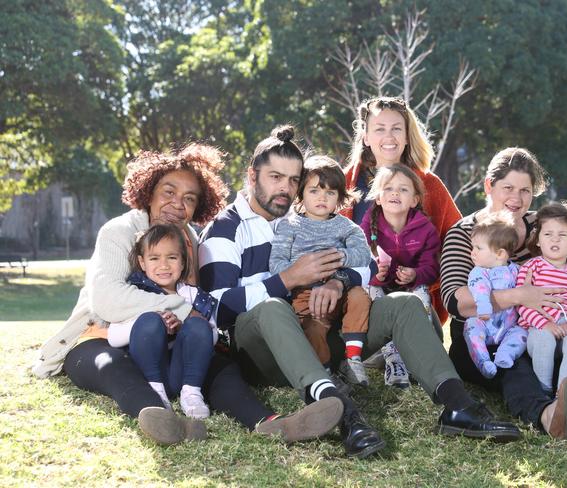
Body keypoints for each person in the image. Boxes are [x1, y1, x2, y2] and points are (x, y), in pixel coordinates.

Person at [200, 125, 523, 459]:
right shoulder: (227, 227)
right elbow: (216, 308)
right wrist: (288, 279)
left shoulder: (307, 219)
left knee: (404, 303)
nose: (285, 188)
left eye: (293, 180)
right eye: (275, 177)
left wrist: (337, 280)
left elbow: (368, 266)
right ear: (252, 176)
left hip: (323, 333)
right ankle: (344, 415)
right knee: (272, 306)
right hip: (262, 351)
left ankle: (457, 406)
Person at [32, 143, 344, 446]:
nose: (177, 204)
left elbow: (201, 305)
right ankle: (159, 418)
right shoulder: (119, 231)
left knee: (220, 368)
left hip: (167, 345)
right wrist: (181, 308)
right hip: (100, 339)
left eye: (189, 198)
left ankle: (269, 423)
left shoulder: (191, 240)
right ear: (148, 193)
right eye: (169, 192)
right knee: (112, 366)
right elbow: (108, 299)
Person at [440, 147, 567, 440]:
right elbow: (455, 302)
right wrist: (521, 296)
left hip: (533, 329)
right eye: (508, 188)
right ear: (489, 186)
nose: (517, 198)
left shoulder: (542, 226)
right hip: (482, 338)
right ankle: (548, 416)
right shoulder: (465, 234)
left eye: (525, 190)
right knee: (516, 366)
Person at [342, 96, 461, 325]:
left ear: (407, 136)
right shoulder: (345, 184)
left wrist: (423, 275)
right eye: (379, 129)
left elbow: (457, 243)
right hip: (358, 302)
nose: (389, 136)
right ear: (366, 137)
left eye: (397, 129)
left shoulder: (430, 185)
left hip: (416, 302)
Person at [269, 155, 373, 386]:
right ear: (301, 194)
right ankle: (325, 373)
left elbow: (364, 254)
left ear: (340, 197)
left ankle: (353, 358)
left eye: (330, 193)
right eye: (314, 191)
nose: (322, 198)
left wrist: (340, 258)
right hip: (306, 294)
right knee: (311, 328)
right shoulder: (289, 226)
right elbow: (276, 264)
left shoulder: (346, 226)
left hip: (341, 291)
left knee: (360, 297)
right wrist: (302, 271)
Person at [107, 224, 218, 418]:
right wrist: (153, 320)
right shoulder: (137, 295)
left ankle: (192, 393)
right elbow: (114, 338)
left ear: (183, 262)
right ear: (142, 263)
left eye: (172, 257)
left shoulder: (192, 295)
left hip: (182, 373)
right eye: (154, 258)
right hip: (146, 374)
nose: (164, 265)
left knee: (199, 324)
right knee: (150, 320)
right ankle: (155, 394)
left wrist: (184, 327)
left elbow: (214, 335)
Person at [359, 165, 441, 388]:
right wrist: (376, 272)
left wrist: (414, 274)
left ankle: (419, 354)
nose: (395, 193)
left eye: (403, 190)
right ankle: (393, 358)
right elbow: (359, 262)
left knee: (421, 293)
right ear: (378, 197)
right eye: (388, 188)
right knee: (368, 290)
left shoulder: (425, 229)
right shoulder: (367, 225)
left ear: (414, 200)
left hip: (410, 289)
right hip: (380, 291)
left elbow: (432, 268)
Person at [516, 202, 567, 394]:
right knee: (544, 340)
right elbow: (521, 304)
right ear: (537, 240)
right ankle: (544, 390)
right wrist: (544, 324)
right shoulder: (530, 267)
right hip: (538, 327)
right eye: (548, 234)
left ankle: (563, 394)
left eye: (562, 235)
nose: (555, 240)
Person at [463, 213, 527, 379]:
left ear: (500, 254)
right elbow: (480, 289)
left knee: (522, 333)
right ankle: (483, 360)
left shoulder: (517, 271)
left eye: (479, 248)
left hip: (509, 327)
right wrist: (484, 306)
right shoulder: (479, 271)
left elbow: (526, 291)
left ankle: (505, 354)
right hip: (484, 322)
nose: (473, 252)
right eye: (473, 247)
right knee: (471, 326)